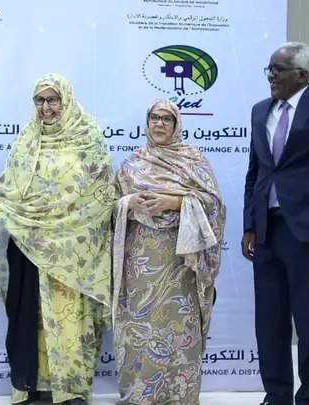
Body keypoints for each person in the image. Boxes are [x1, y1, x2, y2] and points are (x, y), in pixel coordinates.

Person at [0, 73, 114, 405]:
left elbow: (101, 197)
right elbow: (9, 194)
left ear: (66, 100)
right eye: (40, 100)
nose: (46, 108)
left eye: (53, 100)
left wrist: (69, 232)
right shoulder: (27, 140)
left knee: (69, 319)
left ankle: (72, 390)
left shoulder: (89, 139)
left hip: (72, 252)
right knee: (28, 318)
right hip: (28, 247)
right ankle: (30, 385)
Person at [242, 41, 309, 405]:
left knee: (308, 320)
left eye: (278, 70)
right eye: (269, 69)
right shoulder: (259, 110)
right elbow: (256, 170)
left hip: (308, 230)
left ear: (301, 75)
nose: (271, 76)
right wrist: (250, 225)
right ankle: (276, 395)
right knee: (270, 319)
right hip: (267, 229)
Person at [112, 99, 226, 404]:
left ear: (176, 126)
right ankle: (141, 394)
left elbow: (214, 204)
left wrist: (175, 202)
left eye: (166, 119)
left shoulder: (193, 161)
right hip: (140, 262)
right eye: (154, 118)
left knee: (176, 323)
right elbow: (109, 207)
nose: (159, 124)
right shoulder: (131, 164)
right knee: (142, 324)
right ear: (146, 122)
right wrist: (128, 203)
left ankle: (178, 393)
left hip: (181, 262)